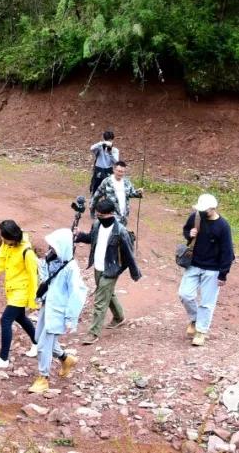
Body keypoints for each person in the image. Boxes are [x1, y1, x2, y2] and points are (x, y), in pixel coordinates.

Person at [74, 198, 142, 345]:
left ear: (111, 214)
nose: (98, 217)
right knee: (107, 293)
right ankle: (119, 317)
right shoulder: (97, 224)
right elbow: (91, 238)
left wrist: (134, 273)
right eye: (97, 214)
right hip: (98, 267)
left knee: (99, 301)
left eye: (102, 215)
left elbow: (129, 254)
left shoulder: (121, 232)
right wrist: (79, 236)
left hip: (111, 269)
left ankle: (93, 333)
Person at [29, 228, 87, 393]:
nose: (51, 249)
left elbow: (77, 294)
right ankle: (66, 359)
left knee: (43, 344)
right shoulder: (51, 260)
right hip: (48, 306)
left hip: (59, 311)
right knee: (39, 337)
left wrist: (70, 318)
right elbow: (45, 279)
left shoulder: (71, 268)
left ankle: (43, 378)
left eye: (55, 246)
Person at [0, 220, 39, 369]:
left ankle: (3, 358)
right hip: (12, 290)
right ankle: (38, 343)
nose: (2, 240)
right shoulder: (6, 245)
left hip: (22, 292)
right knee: (21, 318)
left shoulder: (27, 252)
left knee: (5, 320)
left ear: (13, 236)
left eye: (4, 237)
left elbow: (33, 277)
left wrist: (33, 301)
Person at [178, 193, 234, 347]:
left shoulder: (223, 226)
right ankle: (196, 319)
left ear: (213, 208)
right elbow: (186, 232)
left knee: (207, 303)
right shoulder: (195, 217)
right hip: (194, 264)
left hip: (213, 269)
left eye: (205, 210)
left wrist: (223, 274)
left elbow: (228, 251)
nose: (202, 212)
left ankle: (201, 331)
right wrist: (189, 234)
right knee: (185, 294)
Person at [91, 160, 142, 226]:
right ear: (114, 170)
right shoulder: (106, 181)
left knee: (122, 233)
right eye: (119, 171)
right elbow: (96, 196)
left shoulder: (127, 182)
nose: (120, 173)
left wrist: (139, 192)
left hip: (124, 215)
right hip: (111, 214)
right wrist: (92, 208)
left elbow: (131, 193)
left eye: (122, 172)